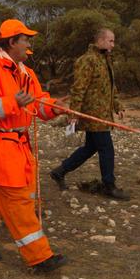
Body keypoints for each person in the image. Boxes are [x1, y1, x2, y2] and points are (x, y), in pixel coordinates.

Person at [0, 19, 67, 273]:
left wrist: (54, 108)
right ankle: (40, 257)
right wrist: (11, 103)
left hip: (15, 144)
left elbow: (37, 103)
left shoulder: (25, 72)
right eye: (25, 40)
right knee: (17, 200)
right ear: (11, 42)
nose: (29, 44)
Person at [49, 28, 129, 200]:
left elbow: (111, 87)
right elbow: (78, 89)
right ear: (100, 40)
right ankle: (109, 185)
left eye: (113, 41)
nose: (113, 45)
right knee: (106, 149)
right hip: (92, 115)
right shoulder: (87, 60)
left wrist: (118, 106)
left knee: (90, 148)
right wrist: (73, 113)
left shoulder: (105, 60)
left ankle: (59, 171)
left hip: (104, 114)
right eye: (110, 41)